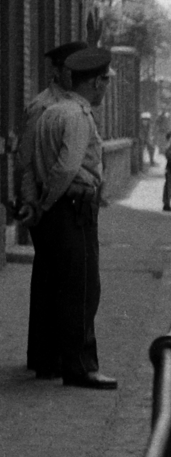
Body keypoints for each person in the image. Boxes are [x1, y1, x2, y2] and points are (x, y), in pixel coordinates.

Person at [25, 49, 115, 388]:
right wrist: (48, 201)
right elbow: (65, 167)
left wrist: (42, 204)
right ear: (94, 82)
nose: (106, 87)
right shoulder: (79, 116)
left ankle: (56, 361)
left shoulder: (51, 111)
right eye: (105, 81)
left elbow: (33, 161)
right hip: (72, 208)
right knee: (83, 289)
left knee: (61, 287)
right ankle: (81, 367)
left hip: (58, 210)